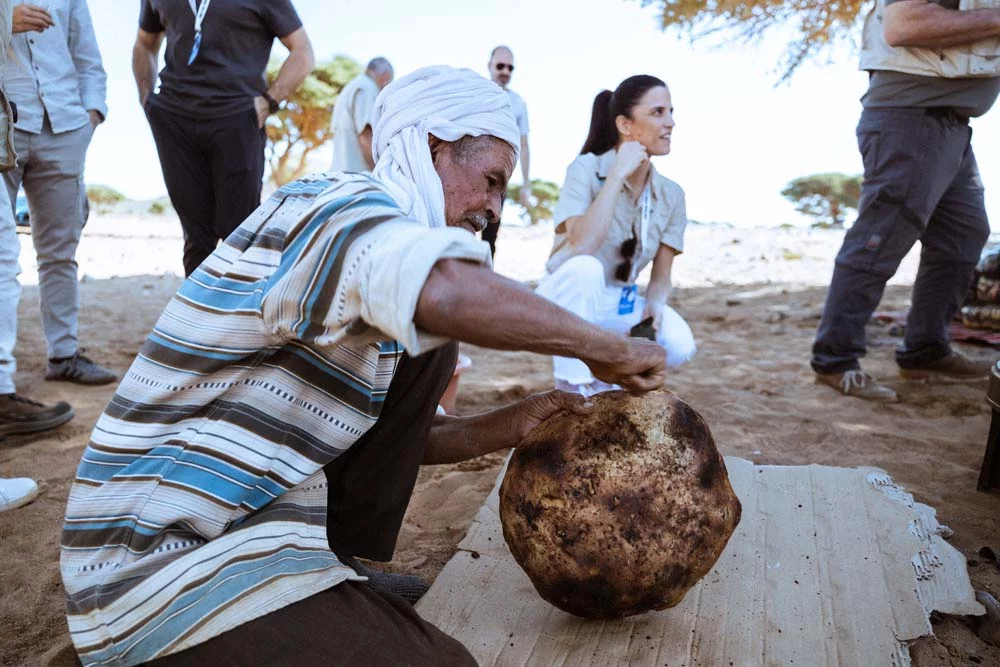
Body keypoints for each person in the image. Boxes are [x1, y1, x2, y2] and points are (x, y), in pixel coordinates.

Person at [60, 66, 666, 667]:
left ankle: (334, 566)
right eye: (489, 180)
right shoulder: (336, 205)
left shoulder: (377, 269)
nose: (493, 208)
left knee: (432, 349)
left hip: (259, 522)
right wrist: (602, 346)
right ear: (434, 147)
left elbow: (401, 436)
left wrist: (514, 423)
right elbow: (448, 291)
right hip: (154, 563)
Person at [811, 0, 1000, 402]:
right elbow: (903, 25)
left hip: (951, 124)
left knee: (964, 235)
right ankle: (835, 360)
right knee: (881, 237)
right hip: (911, 117)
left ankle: (925, 349)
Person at [535, 75, 695, 397]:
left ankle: (605, 378)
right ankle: (573, 388)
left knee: (679, 343)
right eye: (658, 112)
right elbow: (583, 246)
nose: (671, 123)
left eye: (671, 112)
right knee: (586, 269)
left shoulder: (671, 194)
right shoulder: (586, 168)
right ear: (625, 123)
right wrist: (617, 175)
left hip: (616, 300)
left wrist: (655, 304)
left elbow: (662, 276)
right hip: (567, 297)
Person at [133, 0, 314, 277]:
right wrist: (147, 100)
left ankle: (238, 317)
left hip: (236, 117)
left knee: (241, 232)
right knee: (196, 237)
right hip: (174, 119)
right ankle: (196, 318)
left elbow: (302, 52)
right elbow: (145, 44)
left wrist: (267, 102)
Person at [2, 0, 115, 387]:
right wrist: (4, 23)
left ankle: (64, 355)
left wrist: (91, 116)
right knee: (3, 254)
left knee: (60, 253)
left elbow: (88, 60)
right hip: (5, 128)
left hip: (65, 128)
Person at [482, 45, 529, 257]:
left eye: (511, 68)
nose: (505, 72)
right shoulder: (474, 93)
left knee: (490, 239)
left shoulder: (518, 103)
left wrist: (526, 184)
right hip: (468, 174)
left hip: (499, 181)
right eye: (500, 66)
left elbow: (524, 145)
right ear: (489, 65)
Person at [330, 57, 393, 172]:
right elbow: (365, 135)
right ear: (385, 76)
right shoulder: (367, 88)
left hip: (340, 172)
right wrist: (378, 171)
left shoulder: (353, 85)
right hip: (356, 175)